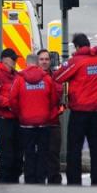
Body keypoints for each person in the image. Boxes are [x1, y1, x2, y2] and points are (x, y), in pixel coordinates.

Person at [55, 33, 97, 186]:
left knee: (74, 150)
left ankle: (74, 182)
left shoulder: (76, 61)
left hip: (79, 113)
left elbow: (58, 76)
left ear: (76, 46)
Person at [11, 54, 60, 184]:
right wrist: (47, 114)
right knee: (43, 152)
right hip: (44, 123)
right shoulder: (47, 79)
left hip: (26, 123)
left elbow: (13, 100)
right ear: (37, 63)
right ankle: (40, 178)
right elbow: (54, 99)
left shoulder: (19, 79)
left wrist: (20, 114)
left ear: (27, 64)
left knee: (29, 153)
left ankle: (30, 178)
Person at [0, 48, 22, 184]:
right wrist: (8, 103)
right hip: (4, 121)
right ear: (6, 59)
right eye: (13, 59)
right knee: (6, 155)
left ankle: (14, 180)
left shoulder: (17, 75)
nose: (15, 61)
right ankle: (5, 182)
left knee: (18, 155)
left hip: (16, 120)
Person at [36, 49, 63, 184]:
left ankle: (54, 181)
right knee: (38, 154)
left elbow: (58, 94)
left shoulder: (55, 77)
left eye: (46, 59)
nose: (44, 62)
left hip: (52, 122)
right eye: (42, 59)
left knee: (53, 154)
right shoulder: (32, 77)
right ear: (37, 61)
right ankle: (39, 180)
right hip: (37, 124)